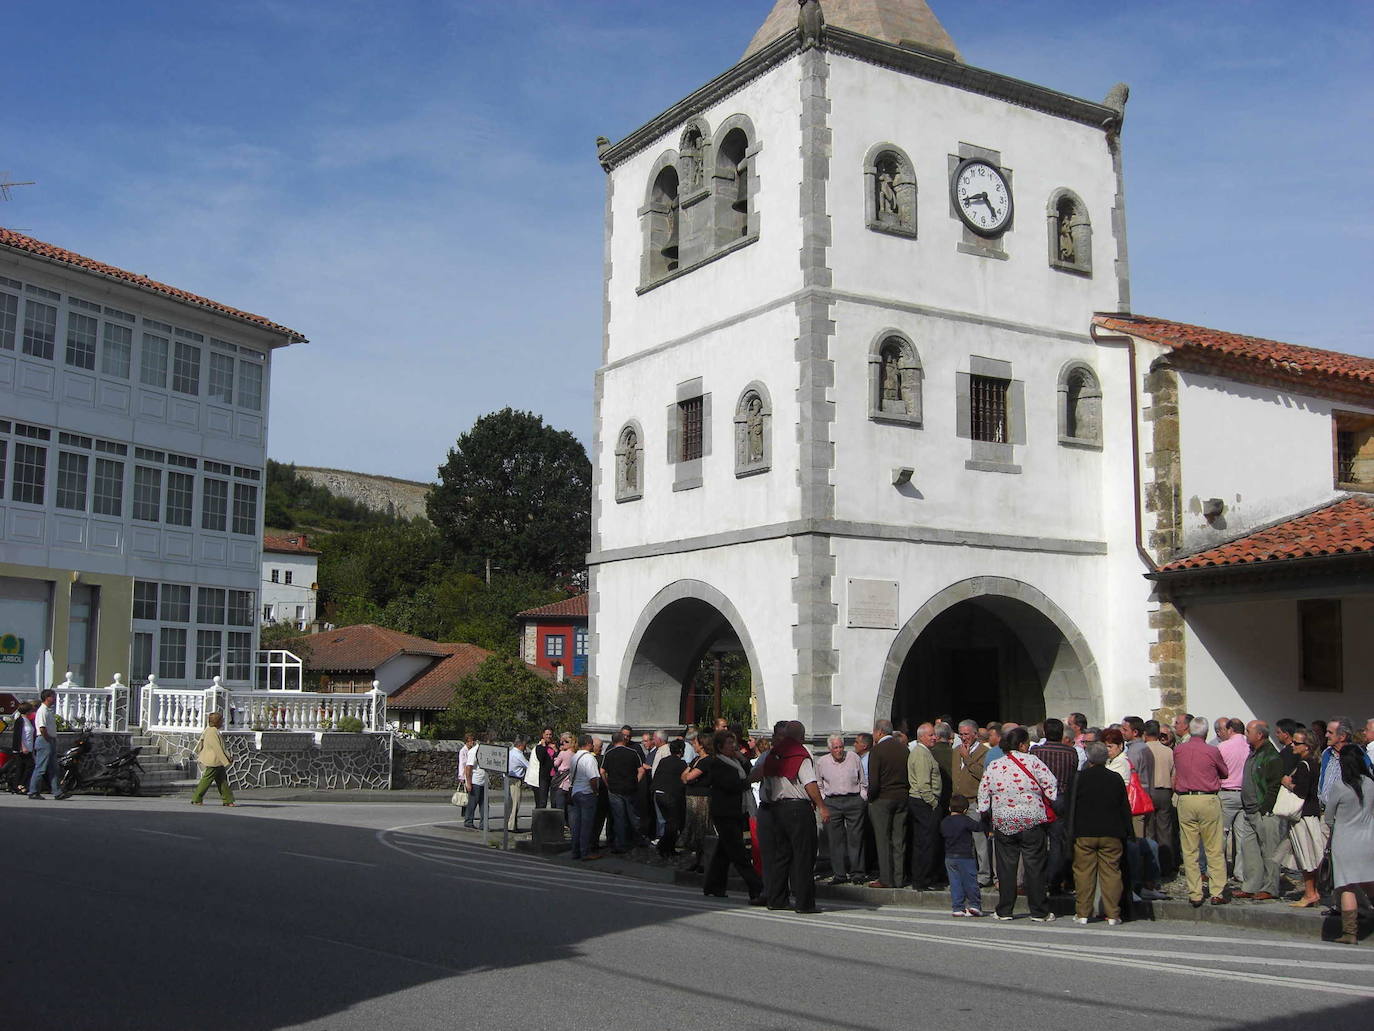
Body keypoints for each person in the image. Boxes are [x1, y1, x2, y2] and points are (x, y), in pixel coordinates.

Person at [977, 727, 1058, 921]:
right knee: (1034, 866)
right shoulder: (1033, 762)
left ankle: (1004, 909)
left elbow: (983, 794)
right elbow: (1051, 786)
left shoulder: (995, 765)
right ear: (1021, 744)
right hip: (1031, 819)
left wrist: (987, 810)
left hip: (1004, 821)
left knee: (1006, 868)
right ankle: (1039, 911)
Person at [752, 721, 828, 913]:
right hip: (798, 807)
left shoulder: (772, 754)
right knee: (803, 855)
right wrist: (821, 806)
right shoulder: (799, 754)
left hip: (777, 807)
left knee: (782, 855)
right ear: (801, 736)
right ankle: (804, 903)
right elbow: (809, 783)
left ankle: (776, 899)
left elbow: (763, 778)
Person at [698, 731, 765, 904]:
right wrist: (749, 781)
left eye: (733, 743)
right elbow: (730, 785)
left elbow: (750, 770)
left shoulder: (735, 761)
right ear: (720, 747)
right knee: (738, 851)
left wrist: (742, 759)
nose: (732, 746)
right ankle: (757, 887)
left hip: (737, 810)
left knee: (724, 851)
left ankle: (714, 885)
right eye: (728, 743)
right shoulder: (717, 763)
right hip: (724, 811)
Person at [1070, 741, 1132, 925]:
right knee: (1111, 872)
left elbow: (1071, 805)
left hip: (1085, 831)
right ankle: (1113, 914)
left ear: (1088, 757)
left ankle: (1082, 913)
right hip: (1111, 831)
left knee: (1083, 873)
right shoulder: (1115, 778)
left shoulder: (1080, 778)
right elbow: (1124, 807)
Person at [1172, 716, 1230, 906]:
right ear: (1206, 732)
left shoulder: (1179, 750)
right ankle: (1217, 891)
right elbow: (1224, 772)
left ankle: (1195, 892)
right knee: (1214, 847)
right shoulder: (1212, 750)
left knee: (1189, 849)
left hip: (1186, 799)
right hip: (1207, 798)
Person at [1324, 744, 1374, 945]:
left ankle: (1350, 933)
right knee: (1370, 882)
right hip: (1369, 839)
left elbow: (1328, 817)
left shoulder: (1340, 786)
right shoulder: (1371, 783)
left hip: (1344, 841)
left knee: (1347, 886)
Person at [1232, 720, 1282, 901]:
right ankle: (1251, 885)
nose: (1246, 734)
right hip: (1249, 810)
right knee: (1250, 850)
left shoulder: (1271, 756)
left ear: (1259, 735)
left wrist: (1264, 808)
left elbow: (1274, 786)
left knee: (1269, 851)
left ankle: (1270, 888)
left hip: (1263, 812)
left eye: (1248, 731)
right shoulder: (1253, 753)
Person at [1277, 729, 1326, 908]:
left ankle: (1310, 893)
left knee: (1306, 856)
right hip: (1309, 814)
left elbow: (1302, 791)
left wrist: (1287, 783)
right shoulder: (1313, 763)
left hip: (1303, 816)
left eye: (1296, 743)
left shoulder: (1306, 765)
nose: (1292, 745)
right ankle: (1312, 892)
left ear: (1307, 747)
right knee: (1308, 855)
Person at [1030, 718, 1078, 896]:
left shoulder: (1036, 751)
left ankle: (1038, 880)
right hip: (1061, 796)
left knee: (1038, 842)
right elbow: (1073, 773)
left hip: (1041, 798)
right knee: (1058, 842)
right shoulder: (1071, 752)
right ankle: (1055, 881)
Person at [816, 734, 867, 885]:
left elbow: (862, 780)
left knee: (855, 838)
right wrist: (824, 800)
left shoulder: (853, 758)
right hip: (832, 801)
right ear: (829, 749)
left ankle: (857, 873)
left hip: (853, 799)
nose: (839, 751)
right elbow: (819, 784)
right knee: (835, 839)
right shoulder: (822, 762)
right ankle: (839, 874)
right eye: (835, 748)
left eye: (841, 747)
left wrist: (862, 797)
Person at [866, 719, 909, 888]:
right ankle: (899, 877)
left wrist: (871, 798)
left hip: (883, 798)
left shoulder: (877, 751)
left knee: (883, 840)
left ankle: (886, 878)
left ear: (879, 732)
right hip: (902, 796)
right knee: (899, 840)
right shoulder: (903, 749)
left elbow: (874, 781)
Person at [907, 723, 943, 891]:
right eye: (930, 735)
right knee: (927, 842)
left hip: (921, 801)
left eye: (934, 734)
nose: (934, 737)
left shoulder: (923, 752)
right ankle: (924, 879)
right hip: (924, 802)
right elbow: (923, 783)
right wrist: (933, 802)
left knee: (922, 841)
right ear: (921, 737)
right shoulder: (921, 754)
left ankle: (921, 878)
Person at [1215, 717, 1249, 884]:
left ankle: (1218, 871)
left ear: (1230, 730)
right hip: (1244, 794)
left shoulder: (1222, 746)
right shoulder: (1250, 746)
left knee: (1221, 834)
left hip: (1226, 792)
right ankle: (1240, 872)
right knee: (1242, 836)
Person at [1142, 720, 1177, 878]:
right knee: (1165, 831)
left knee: (1149, 831)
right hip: (1164, 790)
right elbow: (1173, 775)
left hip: (1148, 791)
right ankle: (1167, 866)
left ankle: (1151, 867)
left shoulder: (1142, 750)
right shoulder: (1168, 751)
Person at [601, 729, 644, 853]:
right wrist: (636, 781)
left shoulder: (609, 753)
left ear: (613, 741)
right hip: (630, 788)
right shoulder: (633, 752)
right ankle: (638, 839)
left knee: (619, 817)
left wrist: (607, 784)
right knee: (634, 816)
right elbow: (641, 770)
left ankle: (621, 843)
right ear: (623, 740)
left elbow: (602, 771)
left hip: (614, 789)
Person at [941, 794, 983, 918]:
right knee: (970, 881)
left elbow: (942, 833)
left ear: (949, 808)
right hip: (965, 856)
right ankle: (974, 905)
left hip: (949, 857)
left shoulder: (945, 821)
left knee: (955, 882)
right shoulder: (965, 820)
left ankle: (957, 907)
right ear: (965, 810)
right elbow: (978, 827)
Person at [681, 732, 714, 873]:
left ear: (702, 744)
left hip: (701, 798)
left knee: (701, 828)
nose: (693, 745)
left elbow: (689, 776)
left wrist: (688, 776)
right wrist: (687, 776)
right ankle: (698, 860)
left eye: (695, 743)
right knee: (694, 829)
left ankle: (703, 861)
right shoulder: (696, 759)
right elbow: (683, 776)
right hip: (692, 796)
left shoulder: (707, 761)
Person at [190, 712, 236, 806]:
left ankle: (228, 800)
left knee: (222, 780)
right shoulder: (212, 732)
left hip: (217, 761)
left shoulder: (211, 730)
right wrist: (225, 761)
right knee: (207, 779)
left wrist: (228, 757)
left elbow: (221, 747)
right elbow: (217, 748)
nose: (222, 722)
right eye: (221, 720)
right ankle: (197, 798)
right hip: (214, 760)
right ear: (217, 721)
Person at [568, 734, 602, 861]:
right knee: (587, 825)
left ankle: (575, 851)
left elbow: (571, 776)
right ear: (588, 744)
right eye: (592, 743)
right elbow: (593, 778)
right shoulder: (589, 758)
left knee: (577, 824)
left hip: (575, 792)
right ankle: (585, 852)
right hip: (586, 793)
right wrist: (596, 791)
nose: (593, 746)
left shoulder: (574, 757)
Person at [652, 739, 688, 857]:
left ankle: (666, 847)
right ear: (681, 751)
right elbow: (684, 780)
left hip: (658, 793)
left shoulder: (664, 761)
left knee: (669, 822)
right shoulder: (681, 764)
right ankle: (665, 846)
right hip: (670, 795)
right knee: (673, 823)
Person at [29, 689, 66, 800]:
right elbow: (42, 728)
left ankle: (57, 792)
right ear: (47, 697)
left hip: (50, 740)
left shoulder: (48, 710)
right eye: (53, 696)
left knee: (54, 768)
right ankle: (33, 791)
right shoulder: (42, 711)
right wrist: (48, 739)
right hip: (44, 740)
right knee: (41, 767)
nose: (54, 698)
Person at [461, 734, 487, 830]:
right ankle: (468, 821)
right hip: (475, 781)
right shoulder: (473, 751)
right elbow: (468, 768)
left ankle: (484, 825)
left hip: (484, 781)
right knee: (472, 804)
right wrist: (468, 783)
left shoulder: (487, 751)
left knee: (484, 805)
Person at [506, 736, 530, 832]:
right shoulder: (519, 755)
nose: (525, 747)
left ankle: (510, 824)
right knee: (515, 803)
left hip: (507, 778)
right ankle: (511, 826)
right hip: (515, 780)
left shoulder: (510, 752)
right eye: (524, 745)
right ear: (521, 745)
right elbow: (528, 765)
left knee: (509, 804)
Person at [531, 727, 557, 809]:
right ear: (543, 735)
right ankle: (540, 819)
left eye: (550, 734)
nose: (548, 736)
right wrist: (543, 746)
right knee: (542, 800)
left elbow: (558, 757)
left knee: (554, 800)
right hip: (544, 776)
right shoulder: (539, 747)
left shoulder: (554, 746)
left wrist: (555, 750)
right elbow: (541, 758)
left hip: (554, 776)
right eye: (547, 734)